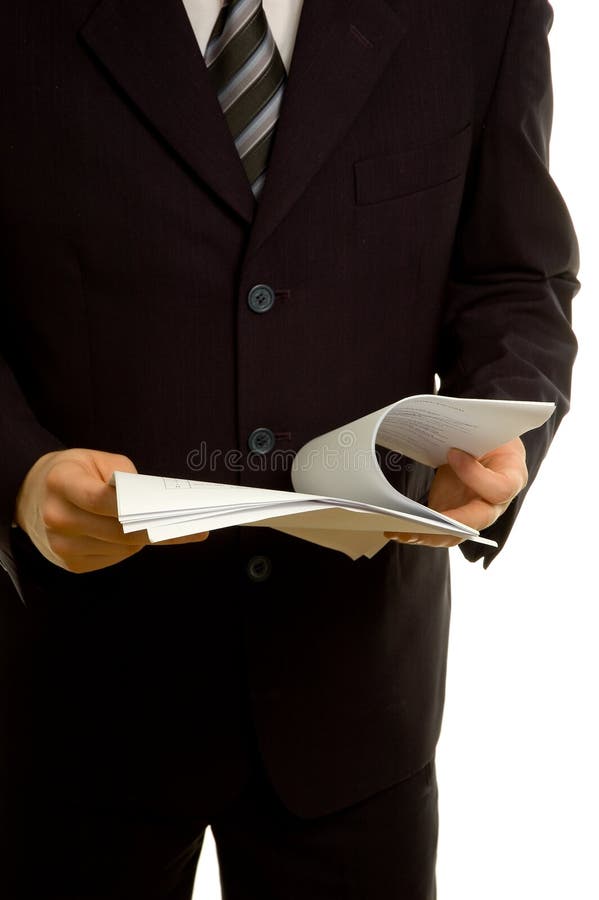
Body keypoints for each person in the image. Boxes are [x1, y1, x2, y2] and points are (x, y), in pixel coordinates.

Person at [0, 0, 580, 897]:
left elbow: (514, 275)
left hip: (354, 697)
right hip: (68, 696)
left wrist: (497, 427)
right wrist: (17, 473)